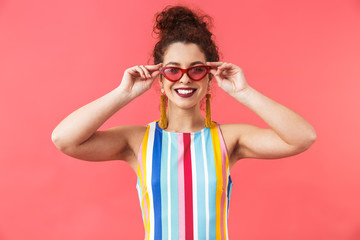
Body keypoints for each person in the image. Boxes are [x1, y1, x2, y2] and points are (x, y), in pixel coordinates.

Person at [51, 5, 317, 240]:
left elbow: (303, 137)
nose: (185, 79)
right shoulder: (138, 141)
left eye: (197, 69)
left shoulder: (229, 139)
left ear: (210, 77)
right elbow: (64, 139)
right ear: (161, 77)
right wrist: (123, 93)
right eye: (173, 69)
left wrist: (243, 92)